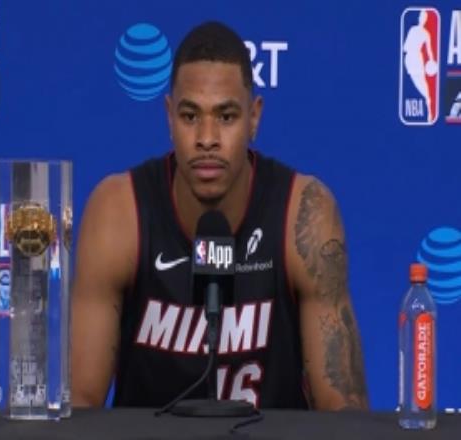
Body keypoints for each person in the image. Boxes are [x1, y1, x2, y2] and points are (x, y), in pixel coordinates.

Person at [71, 20, 368, 410]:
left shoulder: (305, 214)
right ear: (169, 117)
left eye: (226, 117)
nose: (207, 139)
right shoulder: (118, 211)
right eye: (190, 116)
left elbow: (343, 410)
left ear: (254, 118)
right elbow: (79, 404)